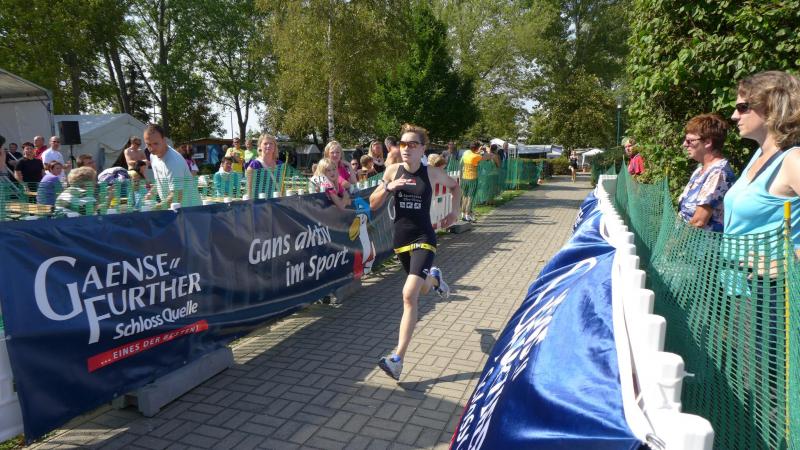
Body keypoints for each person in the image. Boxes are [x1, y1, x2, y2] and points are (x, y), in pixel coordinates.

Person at [369, 123, 461, 381]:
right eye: (403, 144)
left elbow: (455, 186)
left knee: (409, 295)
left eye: (412, 144)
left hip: (424, 238)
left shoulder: (431, 173)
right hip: (401, 241)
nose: (406, 148)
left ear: (422, 149)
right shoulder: (392, 171)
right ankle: (435, 279)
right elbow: (372, 204)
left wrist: (454, 211)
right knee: (423, 288)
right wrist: (389, 187)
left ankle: (397, 359)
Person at [725, 71, 800, 248]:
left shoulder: (793, 160)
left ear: (772, 107)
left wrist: (790, 258)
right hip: (732, 265)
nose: (734, 116)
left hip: (772, 268)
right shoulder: (759, 155)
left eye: (742, 107)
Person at [676, 114, 736, 232]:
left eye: (690, 141)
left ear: (708, 142)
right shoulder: (700, 170)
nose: (684, 144)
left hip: (700, 242)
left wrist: (674, 242)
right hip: (686, 239)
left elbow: (699, 221)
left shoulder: (718, 174)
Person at [145, 123, 199, 207]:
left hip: (190, 209)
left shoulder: (174, 161)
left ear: (164, 140)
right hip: (174, 208)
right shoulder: (153, 156)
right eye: (148, 144)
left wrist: (156, 208)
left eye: (155, 143)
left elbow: (177, 196)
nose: (152, 148)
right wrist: (150, 195)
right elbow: (160, 181)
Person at [460, 141, 489, 222]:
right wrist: (486, 150)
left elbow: (473, 152)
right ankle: (467, 214)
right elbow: (486, 157)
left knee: (464, 196)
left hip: (464, 178)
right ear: (477, 148)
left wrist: (478, 150)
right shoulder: (476, 156)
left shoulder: (466, 153)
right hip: (472, 179)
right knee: (470, 197)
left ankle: (462, 214)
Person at [246, 133, 283, 198]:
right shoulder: (254, 165)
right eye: (265, 143)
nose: (268, 146)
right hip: (260, 202)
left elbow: (282, 186)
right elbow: (249, 190)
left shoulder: (280, 164)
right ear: (260, 146)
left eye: (271, 143)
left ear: (274, 146)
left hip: (278, 201)